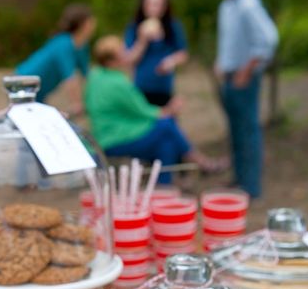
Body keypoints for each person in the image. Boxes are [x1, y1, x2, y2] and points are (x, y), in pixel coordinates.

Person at [85, 36, 227, 183]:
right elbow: (143, 111)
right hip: (115, 140)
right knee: (166, 125)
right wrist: (169, 110)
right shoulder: (117, 83)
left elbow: (125, 111)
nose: (127, 54)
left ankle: (164, 188)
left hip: (105, 136)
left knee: (166, 144)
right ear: (111, 61)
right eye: (122, 52)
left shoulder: (96, 77)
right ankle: (200, 162)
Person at [215, 0, 279, 199]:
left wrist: (247, 68)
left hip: (245, 78)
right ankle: (239, 179)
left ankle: (251, 186)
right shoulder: (229, 5)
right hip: (230, 77)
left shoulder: (249, 4)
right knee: (235, 131)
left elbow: (268, 39)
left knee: (248, 130)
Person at [15, 4, 96, 116]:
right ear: (83, 24)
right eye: (91, 21)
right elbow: (70, 78)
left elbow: (87, 76)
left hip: (40, 90)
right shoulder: (64, 43)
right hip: (23, 84)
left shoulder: (82, 46)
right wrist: (77, 103)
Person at [124, 0, 188, 106]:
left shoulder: (173, 26)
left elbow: (183, 53)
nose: (154, 8)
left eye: (158, 3)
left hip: (164, 88)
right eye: (150, 3)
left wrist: (171, 61)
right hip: (141, 87)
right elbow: (129, 59)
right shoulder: (134, 26)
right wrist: (142, 40)